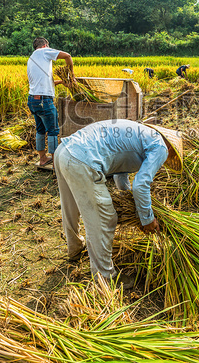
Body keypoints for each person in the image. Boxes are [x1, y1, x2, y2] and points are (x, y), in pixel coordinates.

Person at [54, 119, 183, 285]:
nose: (166, 159)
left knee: (70, 206)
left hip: (64, 151)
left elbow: (120, 172)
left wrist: (129, 200)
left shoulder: (140, 134)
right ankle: (105, 277)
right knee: (105, 218)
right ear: (171, 147)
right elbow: (141, 184)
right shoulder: (161, 147)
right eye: (171, 156)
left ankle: (75, 248)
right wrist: (147, 219)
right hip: (82, 159)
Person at [27, 37, 75, 168]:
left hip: (32, 100)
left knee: (40, 130)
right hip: (44, 101)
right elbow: (67, 56)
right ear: (45, 45)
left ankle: (43, 159)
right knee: (53, 131)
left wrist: (61, 82)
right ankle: (55, 163)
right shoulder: (44, 51)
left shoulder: (31, 59)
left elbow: (43, 82)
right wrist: (72, 76)